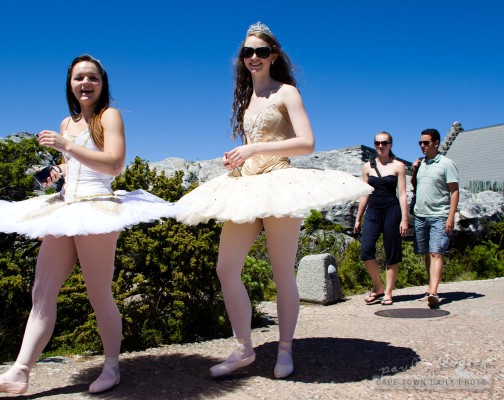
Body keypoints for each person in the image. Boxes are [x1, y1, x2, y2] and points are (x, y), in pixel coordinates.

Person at [174, 22, 372, 379]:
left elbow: (307, 142)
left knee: (283, 272)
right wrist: (238, 158)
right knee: (226, 268)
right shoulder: (246, 98)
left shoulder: (287, 93)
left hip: (280, 182)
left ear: (273, 56)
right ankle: (244, 348)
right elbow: (253, 144)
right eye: (247, 52)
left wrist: (254, 147)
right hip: (247, 185)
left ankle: (284, 350)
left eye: (261, 52)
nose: (253, 57)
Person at [0, 54, 175, 394]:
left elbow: (113, 165)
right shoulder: (67, 123)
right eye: (79, 77)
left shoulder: (109, 116)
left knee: (98, 294)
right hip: (67, 207)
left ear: (102, 83)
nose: (86, 83)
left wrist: (66, 147)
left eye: (92, 78)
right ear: (70, 83)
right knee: (42, 292)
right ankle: (20, 372)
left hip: (97, 209)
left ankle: (111, 367)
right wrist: (58, 172)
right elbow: (75, 168)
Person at [354, 132, 408, 306]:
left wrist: (404, 219)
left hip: (392, 211)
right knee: (366, 250)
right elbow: (365, 193)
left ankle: (389, 292)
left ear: (391, 144)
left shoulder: (398, 166)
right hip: (373, 211)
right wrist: (358, 218)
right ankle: (378, 287)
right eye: (377, 142)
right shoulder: (367, 167)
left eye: (384, 142)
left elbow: (403, 194)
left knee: (391, 252)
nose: (380, 146)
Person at [411, 128, 459, 308]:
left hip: (440, 215)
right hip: (421, 215)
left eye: (426, 143)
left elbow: (454, 191)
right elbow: (414, 185)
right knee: (426, 253)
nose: (422, 146)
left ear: (436, 143)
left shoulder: (447, 164)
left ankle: (433, 292)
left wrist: (450, 217)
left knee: (436, 252)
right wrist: (415, 170)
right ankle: (430, 289)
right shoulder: (421, 163)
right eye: (420, 143)